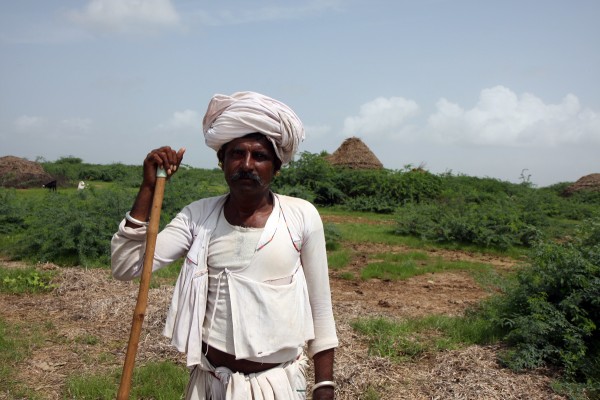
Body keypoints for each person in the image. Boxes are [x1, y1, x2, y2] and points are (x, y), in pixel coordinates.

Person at [111, 91, 338, 399]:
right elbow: (127, 266)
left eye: (259, 156)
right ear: (222, 161)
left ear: (277, 167)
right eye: (236, 154)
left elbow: (320, 309)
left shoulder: (300, 216)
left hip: (277, 385)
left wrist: (324, 386)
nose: (247, 164)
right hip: (210, 385)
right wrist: (149, 187)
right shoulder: (198, 216)